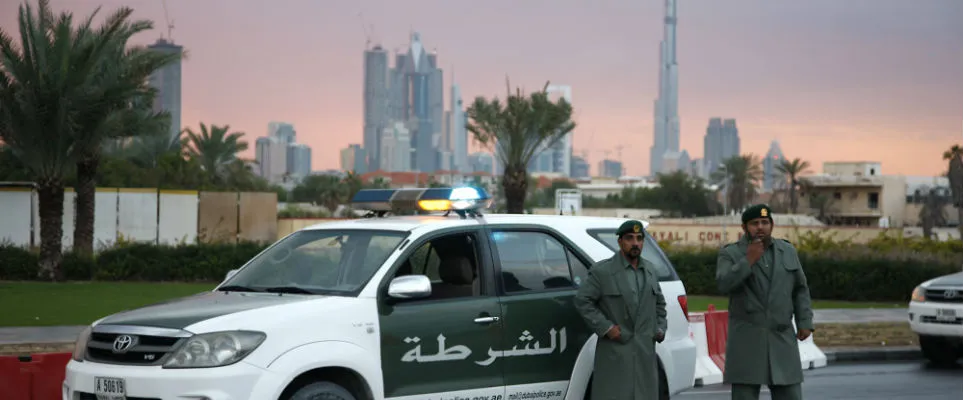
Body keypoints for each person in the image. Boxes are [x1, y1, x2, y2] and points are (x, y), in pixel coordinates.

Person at [715, 204, 815, 400]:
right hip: (747, 341)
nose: (760, 227)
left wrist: (805, 322)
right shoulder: (731, 254)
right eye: (754, 223)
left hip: (781, 338)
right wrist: (748, 261)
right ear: (744, 228)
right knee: (745, 395)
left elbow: (800, 289)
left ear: (772, 225)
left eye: (765, 222)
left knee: (790, 394)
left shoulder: (787, 251)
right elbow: (723, 284)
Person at [573, 220, 668, 400]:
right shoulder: (603, 271)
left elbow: (660, 305)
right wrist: (607, 328)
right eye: (630, 238)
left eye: (639, 239)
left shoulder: (650, 270)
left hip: (644, 356)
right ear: (620, 242)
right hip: (616, 355)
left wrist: (660, 328)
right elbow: (582, 300)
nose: (635, 243)